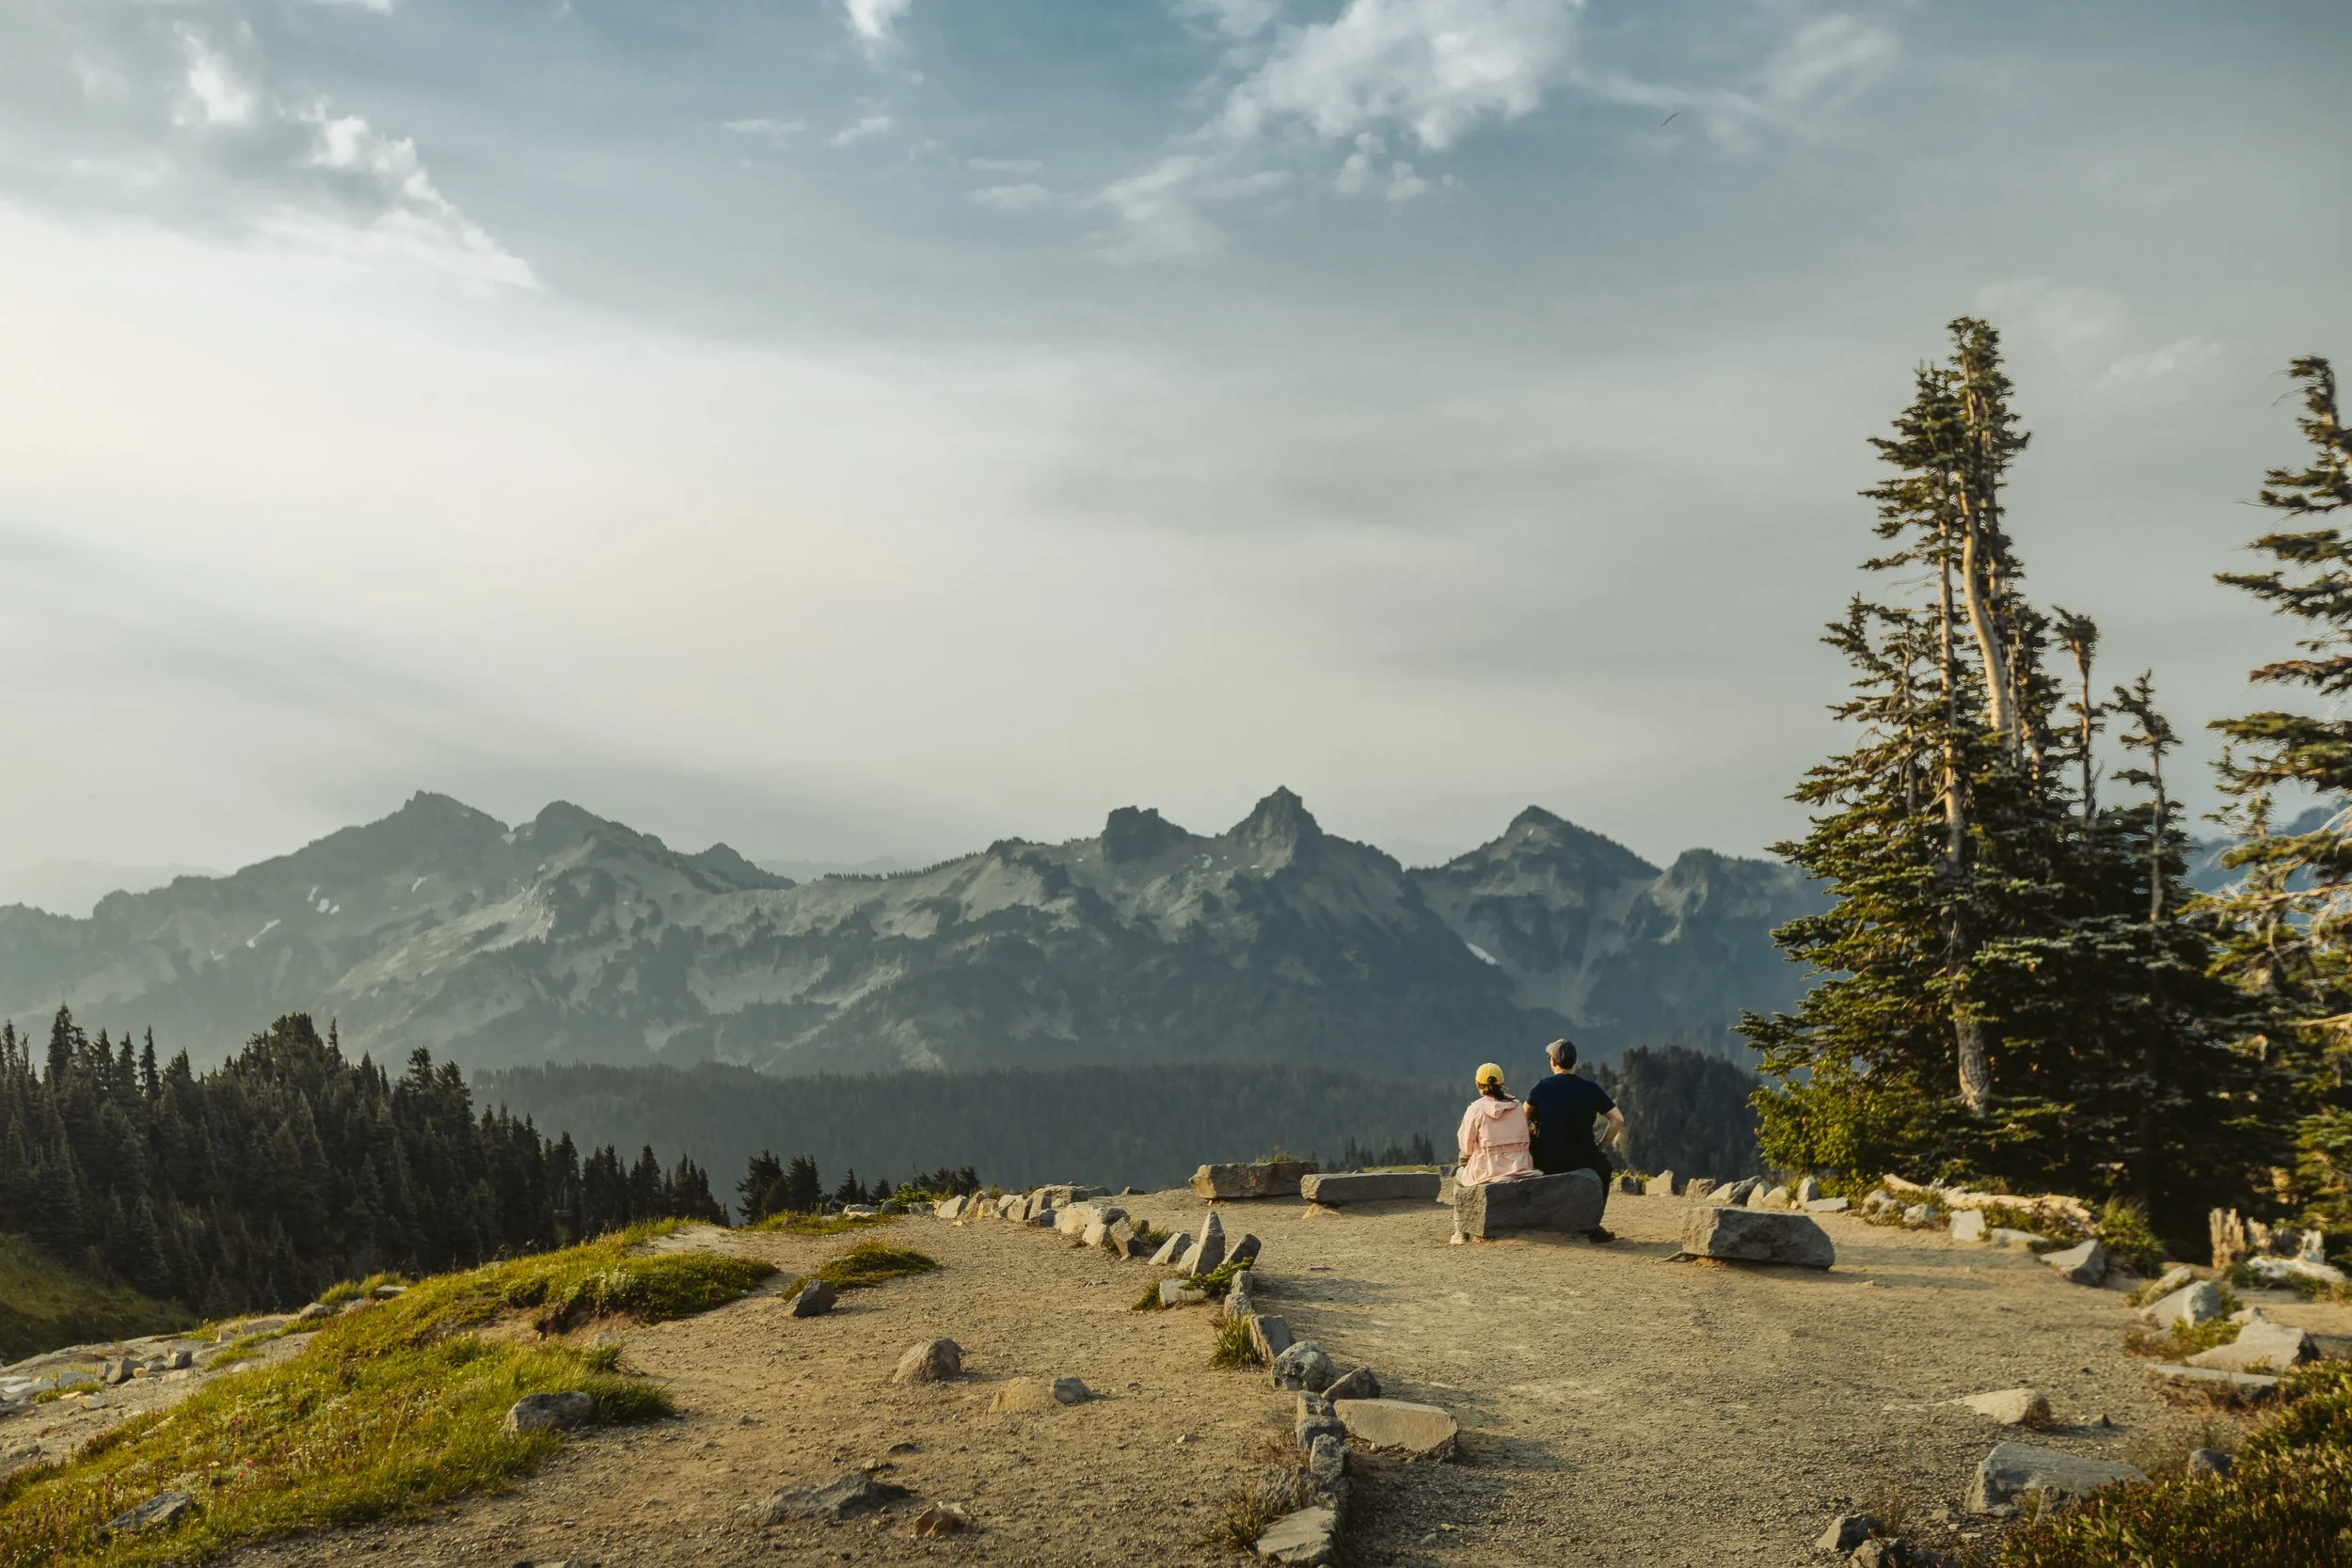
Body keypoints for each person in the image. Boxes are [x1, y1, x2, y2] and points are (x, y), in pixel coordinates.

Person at [1523, 1037, 1625, 1243]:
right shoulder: (1590, 1088)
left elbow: (1520, 1119)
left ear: (1553, 1062)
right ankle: (1593, 1225)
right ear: (1574, 1062)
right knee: (1604, 1169)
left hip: (1547, 1157)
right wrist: (1600, 1146)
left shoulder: (1542, 1087)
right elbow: (1618, 1120)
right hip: (1583, 1155)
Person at [1454, 1062, 1538, 1187]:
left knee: (1460, 1166)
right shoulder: (1518, 1106)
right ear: (1502, 1085)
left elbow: (1466, 1148)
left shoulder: (1476, 1109)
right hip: (1521, 1168)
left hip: (1485, 1173)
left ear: (1478, 1084)